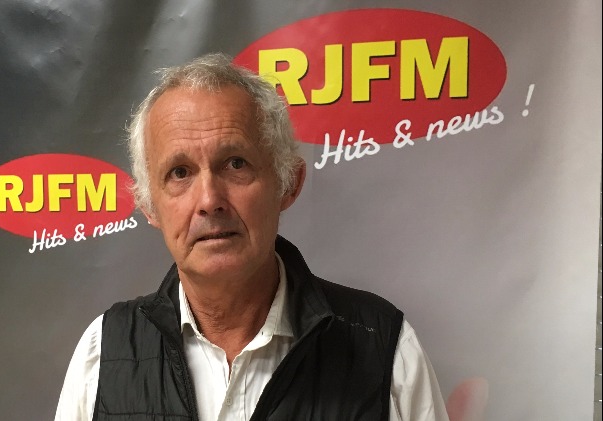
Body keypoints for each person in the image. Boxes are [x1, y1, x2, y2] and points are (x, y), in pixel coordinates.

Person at [55, 53, 449, 420]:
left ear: (288, 184)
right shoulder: (103, 353)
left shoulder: (384, 347)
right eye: (180, 172)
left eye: (235, 164)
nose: (209, 200)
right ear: (148, 205)